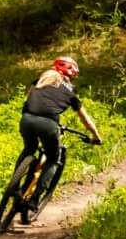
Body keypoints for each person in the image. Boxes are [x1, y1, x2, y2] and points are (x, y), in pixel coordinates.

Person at [14, 55, 101, 222]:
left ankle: (14, 187)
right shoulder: (71, 92)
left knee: (29, 148)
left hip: (26, 120)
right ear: (72, 74)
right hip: (48, 125)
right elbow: (85, 118)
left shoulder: (41, 80)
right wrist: (96, 136)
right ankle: (35, 199)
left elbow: (29, 98)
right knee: (53, 159)